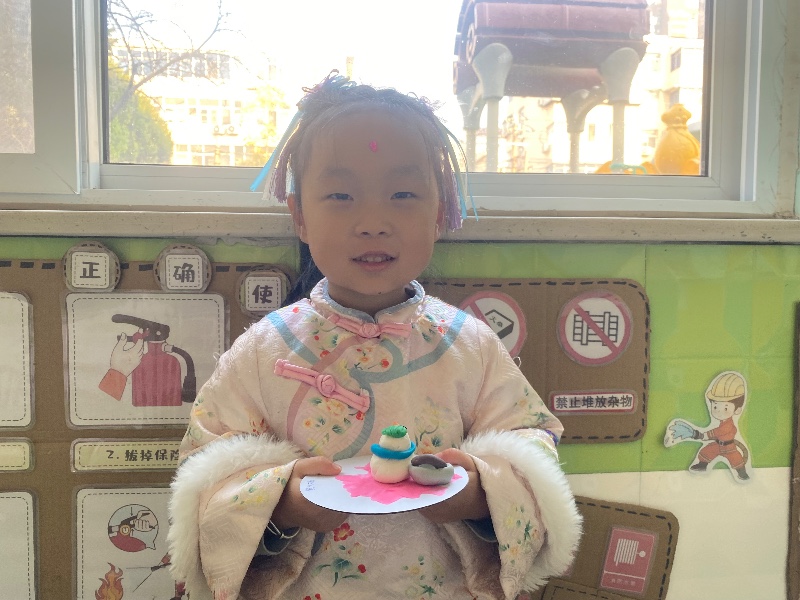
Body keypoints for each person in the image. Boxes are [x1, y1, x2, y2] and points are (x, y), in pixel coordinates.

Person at [167, 72, 582, 600]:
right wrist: (282, 503)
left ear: (439, 212)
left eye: (403, 193)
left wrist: (479, 491)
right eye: (340, 195)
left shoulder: (472, 346)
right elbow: (204, 474)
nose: (372, 221)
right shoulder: (262, 351)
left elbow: (531, 445)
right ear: (299, 216)